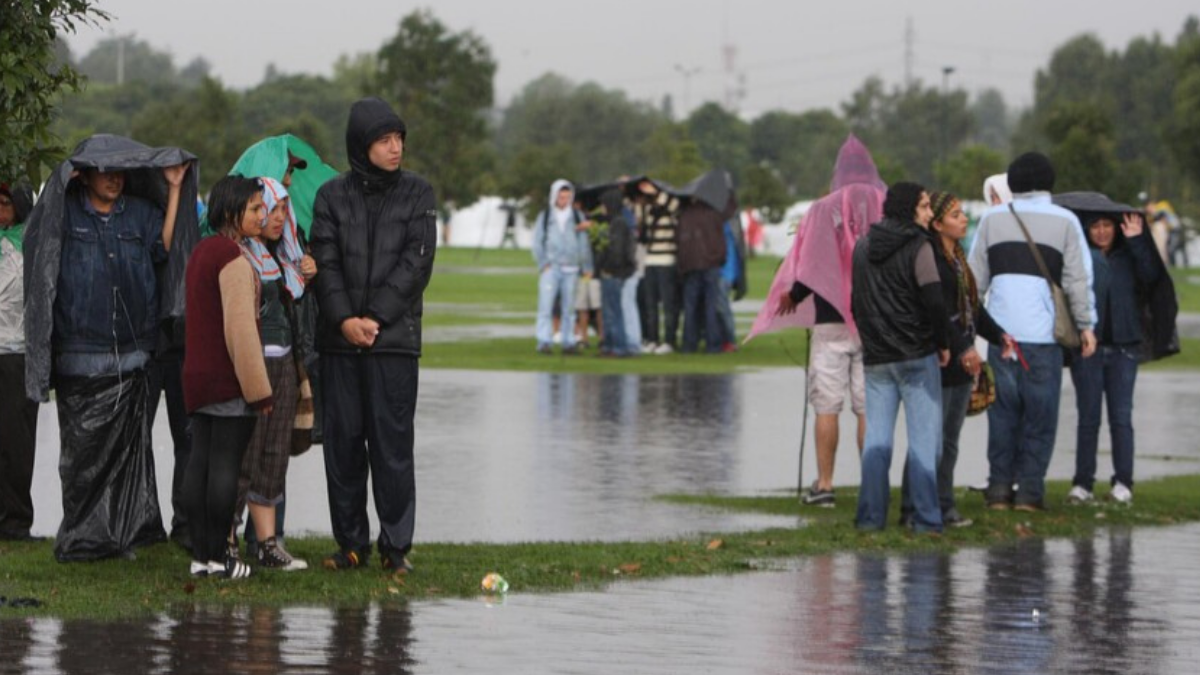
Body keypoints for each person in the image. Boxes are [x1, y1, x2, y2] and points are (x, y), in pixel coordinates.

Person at [27, 137, 192, 562]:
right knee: (82, 458)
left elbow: (166, 247)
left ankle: (123, 533)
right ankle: (84, 535)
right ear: (85, 175)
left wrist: (174, 188)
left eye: (121, 171)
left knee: (127, 456)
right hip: (80, 355)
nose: (116, 178)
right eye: (106, 171)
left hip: (133, 355)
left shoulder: (138, 213)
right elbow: (42, 265)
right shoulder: (64, 214)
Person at [310, 97, 437, 572]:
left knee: (392, 446)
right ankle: (350, 544)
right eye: (385, 140)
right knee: (343, 447)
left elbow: (416, 264)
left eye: (399, 138)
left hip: (394, 343)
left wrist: (375, 319)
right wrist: (344, 320)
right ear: (362, 145)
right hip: (339, 344)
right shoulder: (330, 196)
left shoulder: (418, 194)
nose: (395, 148)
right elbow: (324, 262)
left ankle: (396, 547)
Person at [747, 135, 886, 507]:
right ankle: (872, 486)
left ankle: (824, 485)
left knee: (827, 406)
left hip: (829, 321)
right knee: (867, 406)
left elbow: (811, 264)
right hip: (874, 323)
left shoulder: (823, 210)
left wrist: (793, 297)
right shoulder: (884, 205)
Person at [968, 152, 1096, 512]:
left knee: (1003, 415)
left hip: (1001, 337)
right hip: (1043, 340)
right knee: (1040, 417)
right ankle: (1029, 493)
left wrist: (971, 328)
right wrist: (1086, 326)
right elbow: (1077, 280)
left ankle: (997, 491)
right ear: (1049, 181)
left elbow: (974, 280)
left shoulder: (991, 220)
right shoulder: (1066, 221)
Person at [900, 192, 1014, 528]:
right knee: (928, 439)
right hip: (940, 357)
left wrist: (998, 335)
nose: (963, 219)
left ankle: (943, 504)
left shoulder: (958, 259)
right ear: (937, 224)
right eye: (954, 215)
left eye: (963, 213)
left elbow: (972, 307)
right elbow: (941, 313)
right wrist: (965, 348)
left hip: (962, 361)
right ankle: (912, 507)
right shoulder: (930, 259)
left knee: (949, 439)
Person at [182, 175, 273, 579]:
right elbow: (241, 332)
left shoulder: (202, 251)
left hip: (197, 376)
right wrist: (259, 392)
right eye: (255, 208)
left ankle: (201, 557)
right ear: (233, 212)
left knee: (199, 466)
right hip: (227, 378)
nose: (262, 215)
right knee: (223, 470)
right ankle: (220, 558)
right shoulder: (233, 259)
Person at [850, 182, 950, 533]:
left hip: (877, 357)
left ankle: (870, 518)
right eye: (924, 206)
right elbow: (935, 300)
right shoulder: (918, 246)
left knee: (877, 439)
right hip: (916, 355)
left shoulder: (862, 246)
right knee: (925, 440)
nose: (928, 213)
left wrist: (871, 340)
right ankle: (925, 519)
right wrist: (943, 342)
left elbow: (856, 302)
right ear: (910, 209)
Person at [232, 177, 313, 571]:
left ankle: (267, 543)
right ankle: (226, 542)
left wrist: (305, 270)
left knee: (274, 453)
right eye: (269, 209)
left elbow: (294, 304)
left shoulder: (284, 257)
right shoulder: (238, 254)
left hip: (282, 363)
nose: (277, 217)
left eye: (283, 209)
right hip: (251, 364)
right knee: (243, 453)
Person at [1067, 209, 1161, 505]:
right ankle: (1082, 484)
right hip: (1088, 347)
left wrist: (1136, 241)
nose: (1102, 232)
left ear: (1116, 228)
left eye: (1107, 225)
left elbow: (1152, 276)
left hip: (1124, 347)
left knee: (1121, 418)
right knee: (1088, 418)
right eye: (1096, 226)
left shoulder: (1130, 255)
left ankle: (1123, 483)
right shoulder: (1080, 256)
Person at [0, 181, 40, 541]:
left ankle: (16, 521)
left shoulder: (32, 245)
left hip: (18, 356)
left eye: (5, 204)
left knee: (17, 440)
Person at [531, 180, 592, 355]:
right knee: (545, 306)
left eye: (567, 197)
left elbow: (583, 243)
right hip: (552, 267)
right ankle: (544, 340)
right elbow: (537, 242)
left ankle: (568, 341)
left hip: (571, 268)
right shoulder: (546, 216)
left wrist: (586, 265)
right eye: (560, 196)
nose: (563, 200)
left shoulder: (577, 216)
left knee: (569, 308)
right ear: (554, 196)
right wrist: (543, 264)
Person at [636, 180, 682, 354]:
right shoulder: (648, 210)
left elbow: (673, 206)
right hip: (650, 261)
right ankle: (652, 339)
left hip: (666, 260)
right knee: (650, 304)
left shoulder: (671, 205)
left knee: (669, 304)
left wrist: (656, 193)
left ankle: (669, 340)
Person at [594, 189, 637, 357]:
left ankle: (618, 346)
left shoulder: (617, 223)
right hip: (613, 272)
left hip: (613, 272)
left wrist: (607, 267)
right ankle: (610, 345)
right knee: (609, 311)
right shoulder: (616, 221)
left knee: (613, 311)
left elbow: (616, 250)